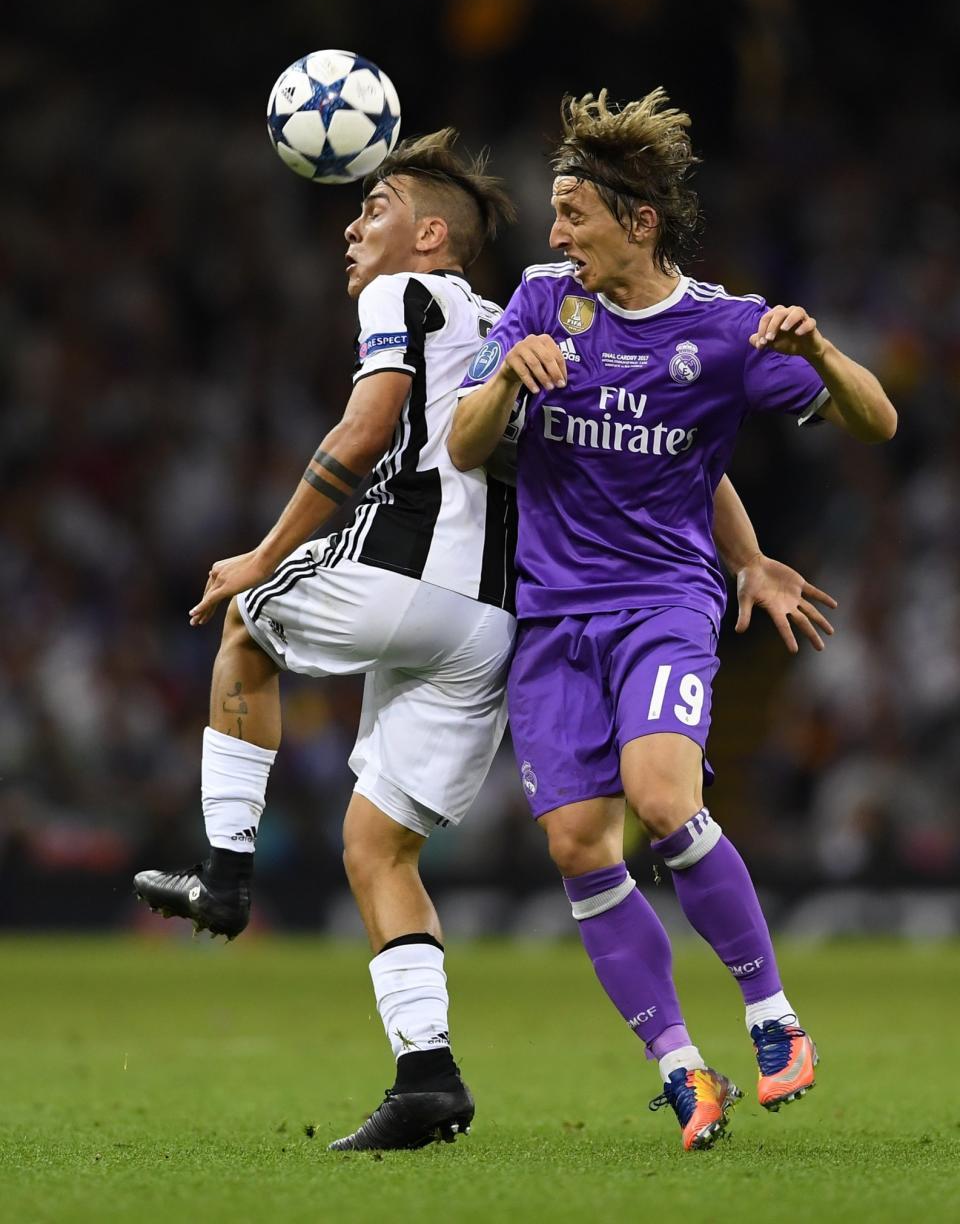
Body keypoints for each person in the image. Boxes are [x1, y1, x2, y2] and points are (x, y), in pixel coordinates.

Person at [134, 126, 834, 1154]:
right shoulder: (524, 314)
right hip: (503, 623)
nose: (349, 229)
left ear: (429, 237)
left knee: (246, 616)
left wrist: (263, 552)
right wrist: (746, 552)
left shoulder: (401, 296)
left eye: (370, 212)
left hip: (415, 577)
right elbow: (657, 438)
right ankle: (430, 1075)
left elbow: (369, 426)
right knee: (383, 847)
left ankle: (225, 868)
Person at [448, 87, 895, 1152]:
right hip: (552, 617)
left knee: (660, 799)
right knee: (574, 844)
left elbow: (876, 420)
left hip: (663, 604)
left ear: (638, 223)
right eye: (556, 218)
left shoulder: (729, 333)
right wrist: (508, 373)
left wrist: (822, 352)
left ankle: (775, 1020)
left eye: (575, 218)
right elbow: (465, 446)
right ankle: (684, 1070)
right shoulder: (540, 302)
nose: (557, 237)